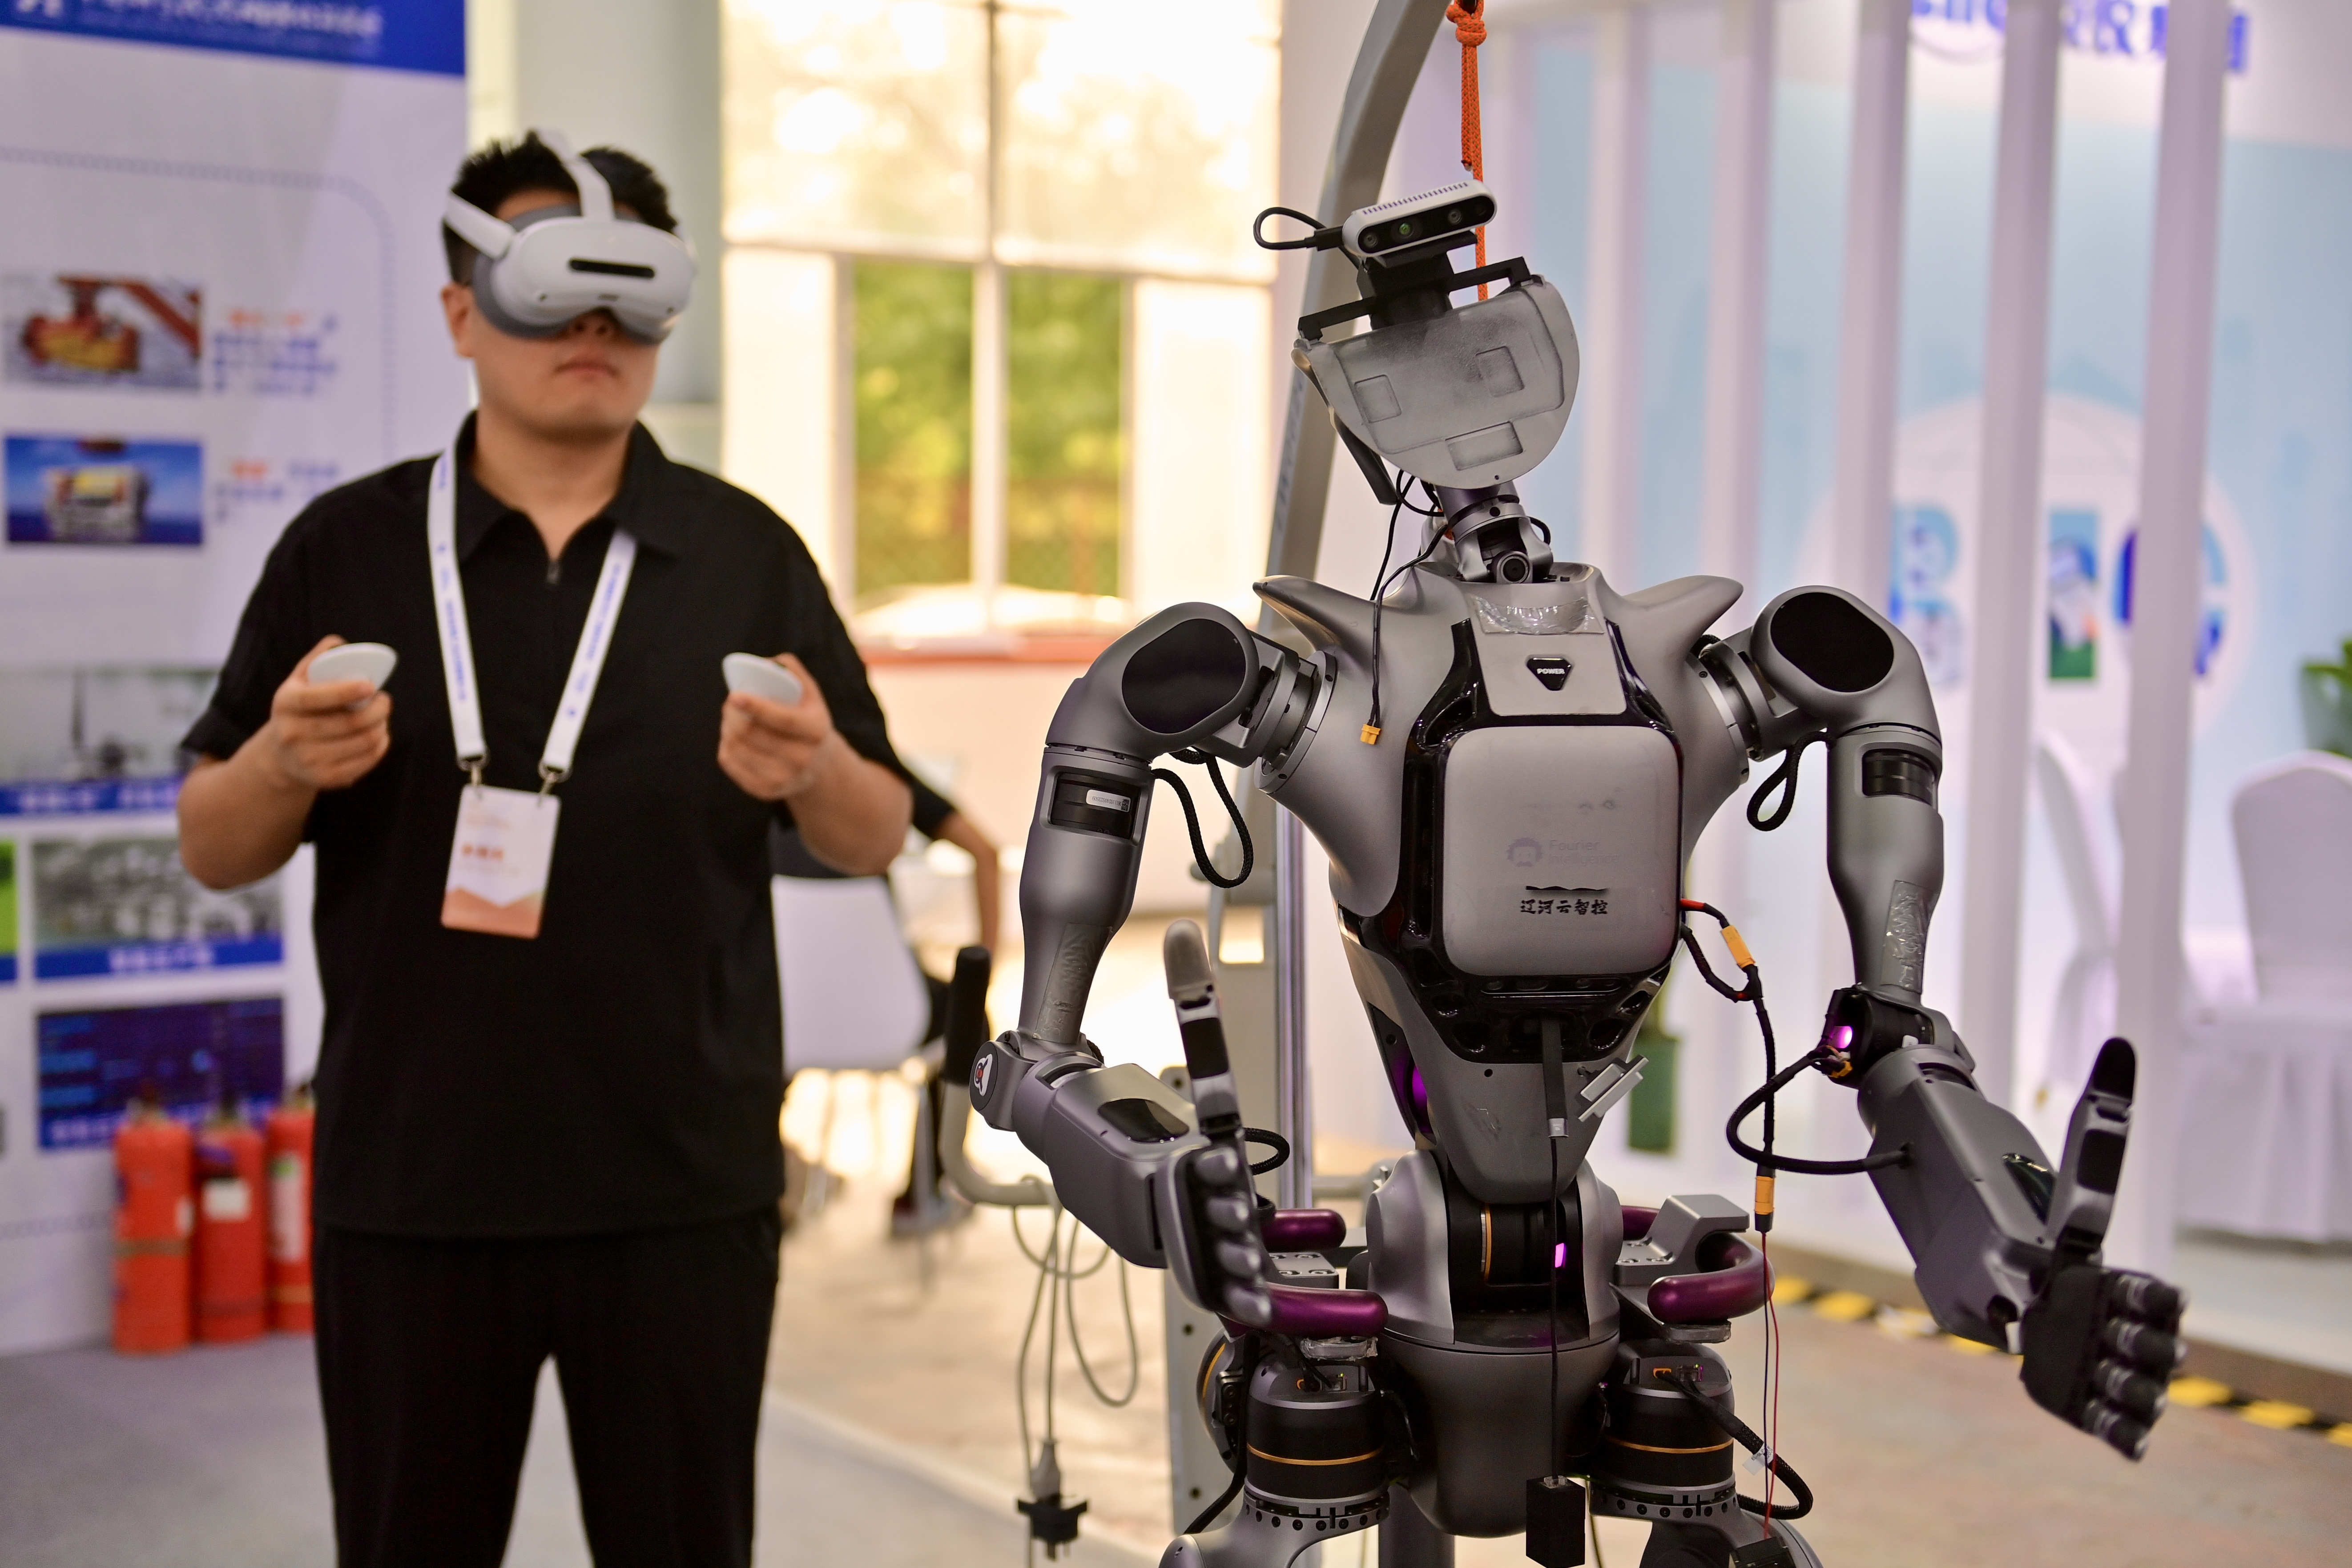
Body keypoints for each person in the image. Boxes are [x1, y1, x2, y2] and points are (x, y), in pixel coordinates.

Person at [176, 132, 913, 1568]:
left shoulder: (745, 553)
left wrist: (817, 766)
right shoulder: (347, 548)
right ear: (463, 313)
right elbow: (213, 844)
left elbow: (874, 825)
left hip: (682, 1182)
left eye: (630, 295)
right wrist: (280, 762)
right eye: (552, 289)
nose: (595, 327)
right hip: (413, 1181)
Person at [766, 776, 1000, 1234]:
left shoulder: (746, 773)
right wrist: (980, 978)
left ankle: (768, 1175)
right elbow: (984, 853)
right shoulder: (879, 773)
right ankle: (925, 1192)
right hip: (894, 1016)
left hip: (782, 1017)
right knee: (967, 1016)